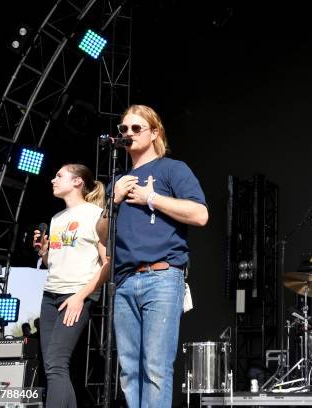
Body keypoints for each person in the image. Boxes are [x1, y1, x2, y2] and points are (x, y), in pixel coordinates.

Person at [96, 104, 208, 407]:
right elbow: (102, 234)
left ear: (155, 132)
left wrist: (152, 198)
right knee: (129, 370)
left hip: (161, 277)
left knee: (156, 367)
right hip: (124, 281)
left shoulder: (172, 169)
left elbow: (200, 215)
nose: (128, 134)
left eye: (136, 128)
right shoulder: (117, 181)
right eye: (124, 129)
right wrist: (114, 200)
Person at [33, 163, 109, 407]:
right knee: (54, 367)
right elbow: (55, 262)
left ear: (77, 182)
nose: (53, 180)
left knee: (56, 363)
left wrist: (80, 297)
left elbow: (108, 263)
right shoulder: (56, 219)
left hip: (76, 296)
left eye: (59, 176)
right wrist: (44, 253)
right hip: (49, 296)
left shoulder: (95, 214)